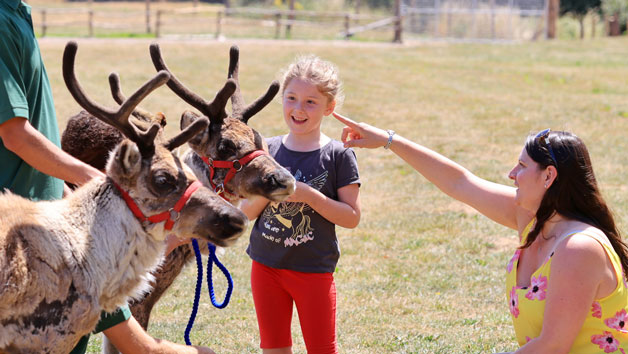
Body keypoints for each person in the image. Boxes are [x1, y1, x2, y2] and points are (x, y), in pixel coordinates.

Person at [0, 1, 214, 353]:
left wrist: (65, 190)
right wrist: (92, 179)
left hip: (47, 216)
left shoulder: (15, 11)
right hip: (25, 235)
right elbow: (15, 132)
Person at [331, 112, 628, 353]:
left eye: (522, 166)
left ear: (549, 176)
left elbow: (553, 346)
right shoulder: (533, 221)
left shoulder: (579, 248)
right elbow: (461, 183)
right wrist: (388, 140)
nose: (511, 174)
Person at [240, 55, 361, 354]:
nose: (298, 108)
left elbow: (351, 217)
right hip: (265, 267)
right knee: (273, 347)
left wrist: (309, 195)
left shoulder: (338, 155)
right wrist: (268, 191)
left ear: (329, 108)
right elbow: (246, 212)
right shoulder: (267, 149)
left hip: (313, 271)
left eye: (310, 102)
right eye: (291, 98)